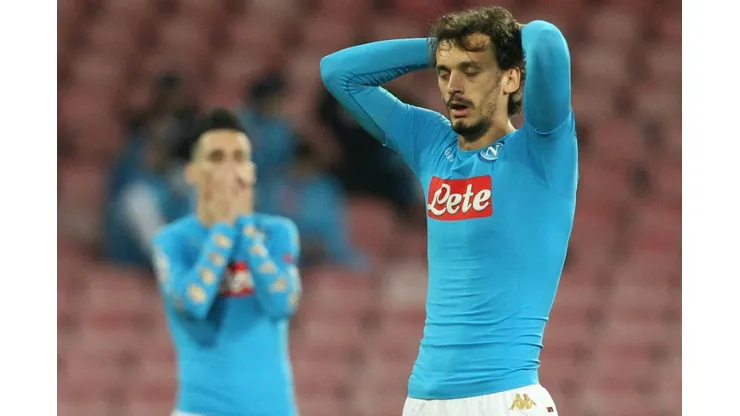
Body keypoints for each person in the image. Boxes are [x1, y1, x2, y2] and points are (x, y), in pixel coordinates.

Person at [321, 6, 575, 415]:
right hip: (424, 400)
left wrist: (500, 36)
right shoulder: (432, 145)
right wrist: (438, 48)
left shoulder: (541, 150)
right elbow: (337, 72)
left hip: (507, 397)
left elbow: (546, 41)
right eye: (444, 72)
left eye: (471, 71)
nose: (453, 86)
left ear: (511, 79)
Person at [151, 109, 302, 416]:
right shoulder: (174, 240)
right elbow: (193, 303)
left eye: (239, 157)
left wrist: (244, 228)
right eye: (217, 158)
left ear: (251, 172)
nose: (229, 169)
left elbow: (282, 304)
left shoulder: (277, 232)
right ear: (193, 172)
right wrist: (223, 228)